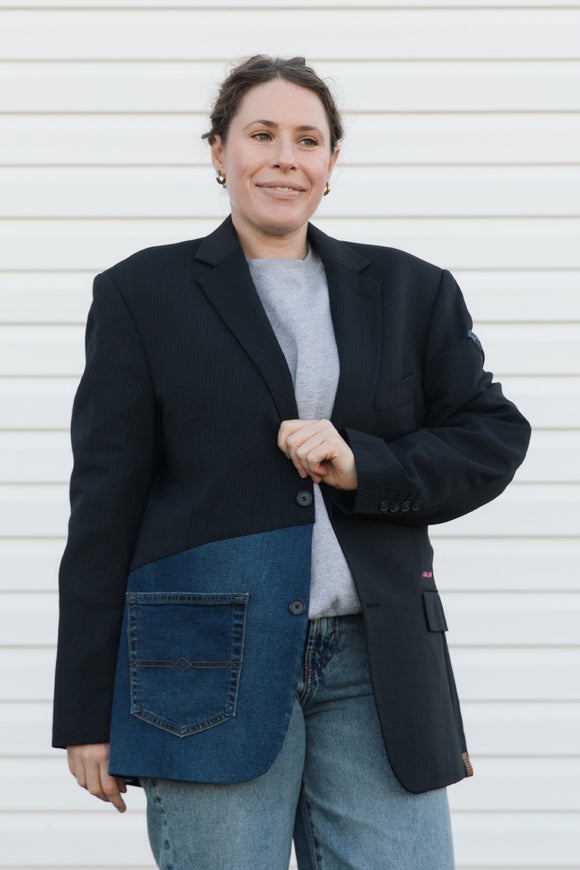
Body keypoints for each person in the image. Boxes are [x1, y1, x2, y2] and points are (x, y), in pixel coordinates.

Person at [53, 55, 530, 870]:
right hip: (203, 663)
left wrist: (362, 464)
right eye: (261, 134)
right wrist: (86, 711)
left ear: (332, 163)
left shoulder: (414, 290)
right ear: (217, 151)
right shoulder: (141, 294)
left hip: (376, 664)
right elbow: (104, 504)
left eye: (309, 139)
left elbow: (491, 435)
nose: (286, 157)